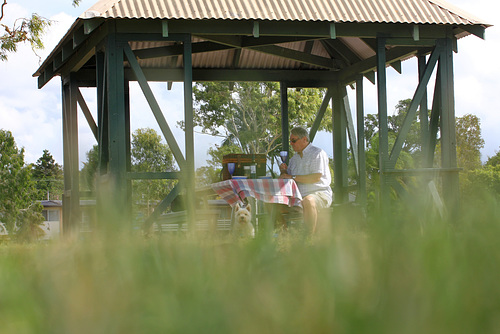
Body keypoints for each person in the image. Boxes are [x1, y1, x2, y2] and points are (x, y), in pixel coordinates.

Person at [279, 126, 332, 234]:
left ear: (304, 139)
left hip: (319, 193)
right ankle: (285, 236)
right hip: (298, 196)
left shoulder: (317, 153)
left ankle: (309, 239)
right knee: (273, 203)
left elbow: (316, 177)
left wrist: (291, 177)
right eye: (290, 141)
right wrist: (284, 172)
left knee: (308, 201)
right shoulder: (294, 159)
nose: (291, 144)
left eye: (293, 140)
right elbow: (288, 180)